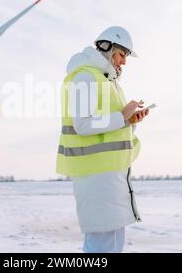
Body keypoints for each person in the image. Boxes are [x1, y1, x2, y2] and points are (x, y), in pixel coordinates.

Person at [56, 26, 150, 253]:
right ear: (106, 48)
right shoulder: (85, 77)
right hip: (95, 179)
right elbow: (83, 124)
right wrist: (122, 115)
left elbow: (110, 128)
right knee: (101, 246)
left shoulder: (107, 82)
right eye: (121, 54)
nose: (124, 62)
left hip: (111, 177)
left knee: (113, 243)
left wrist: (130, 122)